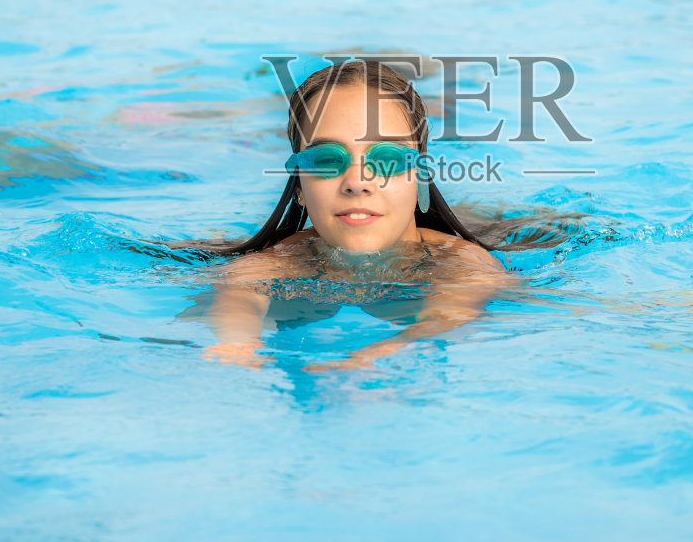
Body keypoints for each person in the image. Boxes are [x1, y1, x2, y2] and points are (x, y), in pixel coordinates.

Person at [202, 59, 516, 372]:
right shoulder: (280, 260)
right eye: (326, 159)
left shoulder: (460, 263)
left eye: (388, 158)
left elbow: (447, 316)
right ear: (299, 185)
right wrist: (238, 342)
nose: (357, 183)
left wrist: (376, 357)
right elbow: (239, 296)